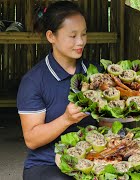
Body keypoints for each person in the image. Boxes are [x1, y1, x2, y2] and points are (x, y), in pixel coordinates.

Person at [17, 1, 98, 179]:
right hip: (48, 163)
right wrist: (66, 119)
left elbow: (108, 124)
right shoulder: (33, 81)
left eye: (84, 34)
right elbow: (31, 139)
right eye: (73, 36)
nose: (80, 42)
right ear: (51, 36)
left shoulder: (96, 73)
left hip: (95, 159)